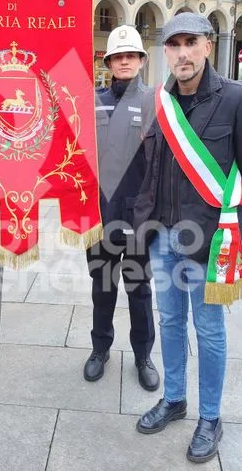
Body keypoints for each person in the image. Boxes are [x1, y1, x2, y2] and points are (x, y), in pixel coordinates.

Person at [133, 13, 242, 463]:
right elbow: (150, 169)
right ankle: (175, 399)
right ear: (166, 53)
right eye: (173, 45)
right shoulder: (160, 102)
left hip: (209, 242)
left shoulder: (238, 98)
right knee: (170, 323)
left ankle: (210, 417)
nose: (182, 53)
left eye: (190, 42)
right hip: (163, 239)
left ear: (208, 46)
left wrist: (232, 223)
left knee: (209, 330)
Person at [83, 25, 159, 392]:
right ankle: (100, 349)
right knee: (102, 286)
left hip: (137, 216)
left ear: (141, 61)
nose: (124, 61)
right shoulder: (93, 100)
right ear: (108, 62)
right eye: (118, 56)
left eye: (131, 55)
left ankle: (143, 355)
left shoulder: (155, 102)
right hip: (98, 214)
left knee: (139, 290)